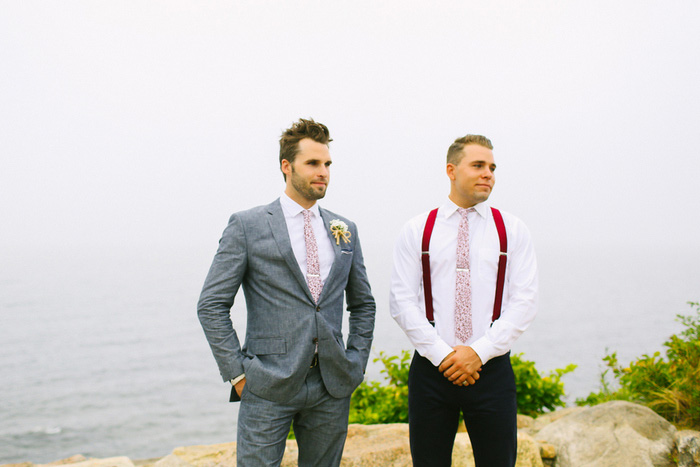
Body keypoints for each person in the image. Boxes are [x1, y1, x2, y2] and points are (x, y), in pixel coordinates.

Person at [198, 118, 376, 467]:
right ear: (286, 166)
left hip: (332, 384)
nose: (323, 171)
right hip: (267, 383)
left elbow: (363, 304)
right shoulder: (247, 225)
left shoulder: (345, 229)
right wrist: (238, 375)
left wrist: (354, 364)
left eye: (327, 164)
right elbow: (211, 305)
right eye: (312, 163)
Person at [389, 134, 538, 466]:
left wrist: (478, 352)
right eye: (478, 165)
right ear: (451, 170)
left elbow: (524, 301)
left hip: (492, 370)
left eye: (492, 167)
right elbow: (401, 300)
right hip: (431, 370)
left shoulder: (512, 230)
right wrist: (445, 355)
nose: (488, 174)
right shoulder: (417, 229)